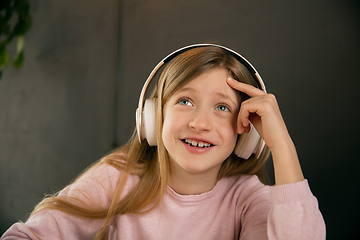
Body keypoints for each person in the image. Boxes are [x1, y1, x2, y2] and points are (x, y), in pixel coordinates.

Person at [1, 44, 326, 240]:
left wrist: (282, 146)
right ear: (153, 118)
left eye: (222, 107)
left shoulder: (245, 200)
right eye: (185, 101)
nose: (200, 123)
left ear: (247, 132)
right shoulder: (118, 178)